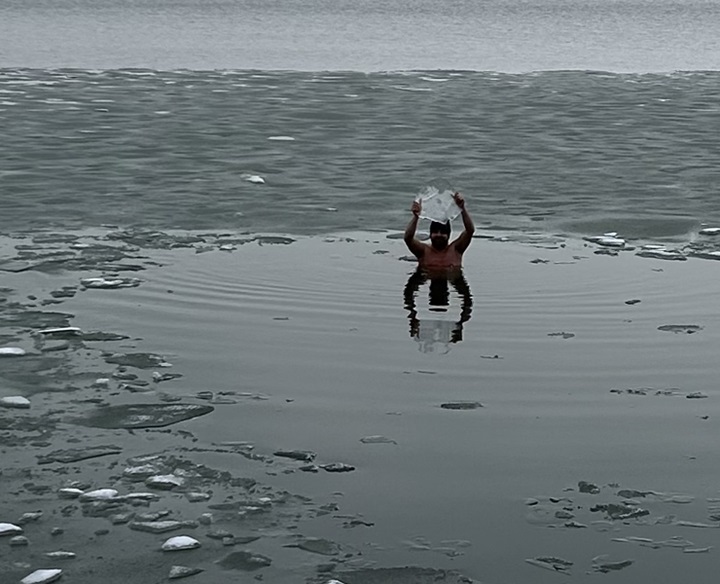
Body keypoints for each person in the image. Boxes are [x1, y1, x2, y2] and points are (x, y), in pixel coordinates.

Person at [403, 192, 475, 271]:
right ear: (430, 234)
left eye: (443, 232)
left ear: (449, 234)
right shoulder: (423, 251)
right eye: (435, 232)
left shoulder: (456, 249)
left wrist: (462, 209)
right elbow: (408, 238)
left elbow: (470, 231)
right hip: (426, 278)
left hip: (454, 280)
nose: (439, 235)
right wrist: (416, 217)